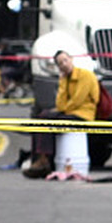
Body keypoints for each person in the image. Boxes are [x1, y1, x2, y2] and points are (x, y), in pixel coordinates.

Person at [43, 50, 100, 181]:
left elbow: (77, 100)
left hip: (84, 114)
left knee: (52, 120)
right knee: (43, 116)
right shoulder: (66, 79)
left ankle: (45, 159)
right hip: (71, 112)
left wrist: (62, 109)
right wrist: (62, 83)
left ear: (71, 59)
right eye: (60, 63)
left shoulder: (85, 75)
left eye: (65, 60)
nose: (64, 64)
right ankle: (41, 158)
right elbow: (60, 104)